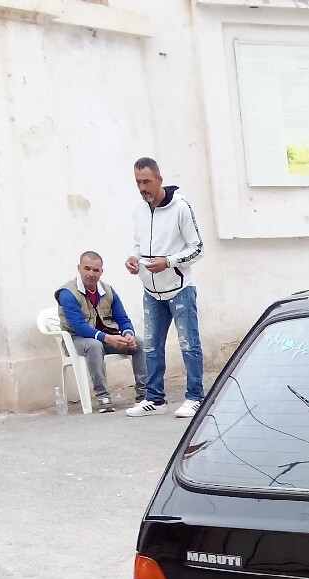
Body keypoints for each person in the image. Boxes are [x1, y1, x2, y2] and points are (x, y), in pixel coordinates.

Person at [126, 157, 205, 417]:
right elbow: (139, 244)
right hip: (151, 290)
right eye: (138, 182)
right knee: (151, 345)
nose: (142, 187)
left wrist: (169, 262)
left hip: (179, 287)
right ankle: (155, 397)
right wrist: (134, 259)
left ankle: (195, 396)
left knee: (188, 343)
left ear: (159, 179)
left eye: (146, 181)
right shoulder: (138, 209)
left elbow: (198, 248)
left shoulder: (181, 207)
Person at [54, 251, 143, 414]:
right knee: (94, 345)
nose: (90, 274)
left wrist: (128, 333)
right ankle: (103, 396)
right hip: (77, 341)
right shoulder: (67, 293)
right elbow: (79, 326)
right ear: (79, 268)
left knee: (139, 342)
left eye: (96, 270)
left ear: (101, 271)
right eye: (86, 268)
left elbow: (123, 319)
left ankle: (144, 393)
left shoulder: (108, 290)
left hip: (105, 338)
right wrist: (107, 338)